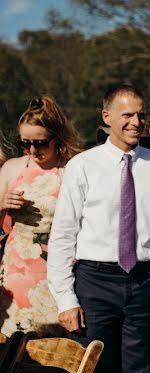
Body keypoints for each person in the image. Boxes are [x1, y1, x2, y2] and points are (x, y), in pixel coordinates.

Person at [47, 84, 150, 373]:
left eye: (141, 114)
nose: (136, 122)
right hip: (96, 282)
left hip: (145, 281)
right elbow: (63, 234)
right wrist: (65, 298)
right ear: (107, 117)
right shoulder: (83, 166)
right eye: (128, 115)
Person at [0, 96, 81, 336]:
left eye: (40, 143)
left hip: (61, 267)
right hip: (17, 268)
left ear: (57, 138)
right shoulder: (13, 168)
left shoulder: (72, 169)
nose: (33, 150)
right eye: (25, 143)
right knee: (14, 341)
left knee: (54, 342)